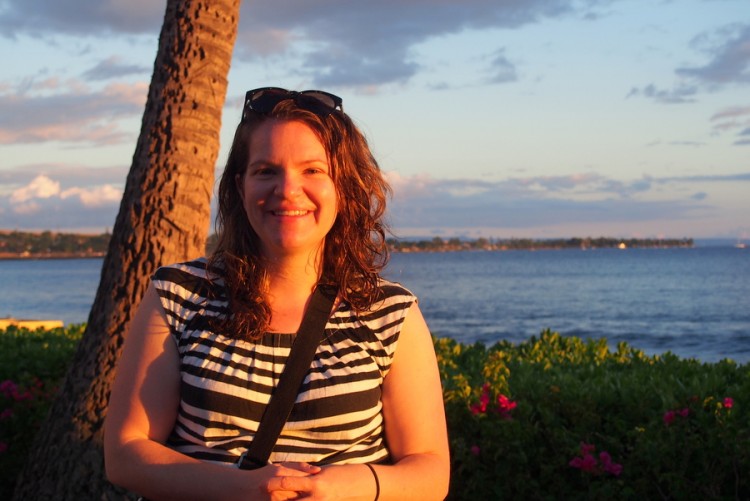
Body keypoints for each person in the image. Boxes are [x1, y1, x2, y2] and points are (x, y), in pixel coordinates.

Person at [104, 87, 450, 501]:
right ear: (241, 185)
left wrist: (350, 487)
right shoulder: (179, 295)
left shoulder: (390, 313)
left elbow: (431, 470)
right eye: (266, 170)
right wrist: (245, 489)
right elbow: (125, 453)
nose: (287, 189)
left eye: (312, 171)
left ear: (343, 185)